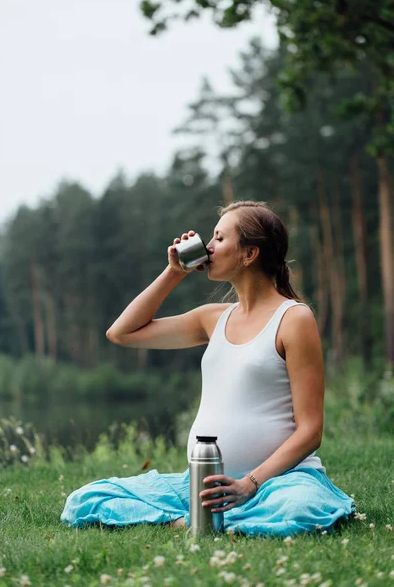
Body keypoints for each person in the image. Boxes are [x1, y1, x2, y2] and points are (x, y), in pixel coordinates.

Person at [61, 200, 355, 536]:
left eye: (219, 238)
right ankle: (199, 520)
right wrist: (174, 271)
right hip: (202, 482)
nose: (208, 247)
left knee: (300, 508)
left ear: (249, 254)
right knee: (86, 499)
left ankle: (211, 520)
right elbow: (121, 333)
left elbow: (310, 431)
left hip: (278, 483)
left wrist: (249, 483)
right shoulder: (212, 318)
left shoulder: (293, 318)